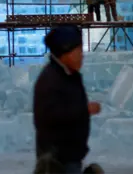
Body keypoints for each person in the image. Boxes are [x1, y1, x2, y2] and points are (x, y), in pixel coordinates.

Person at [33, 25, 101, 174]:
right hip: (57, 161)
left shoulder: (69, 76)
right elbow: (50, 116)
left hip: (70, 156)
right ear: (66, 53)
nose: (81, 55)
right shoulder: (51, 80)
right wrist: (84, 110)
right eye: (78, 51)